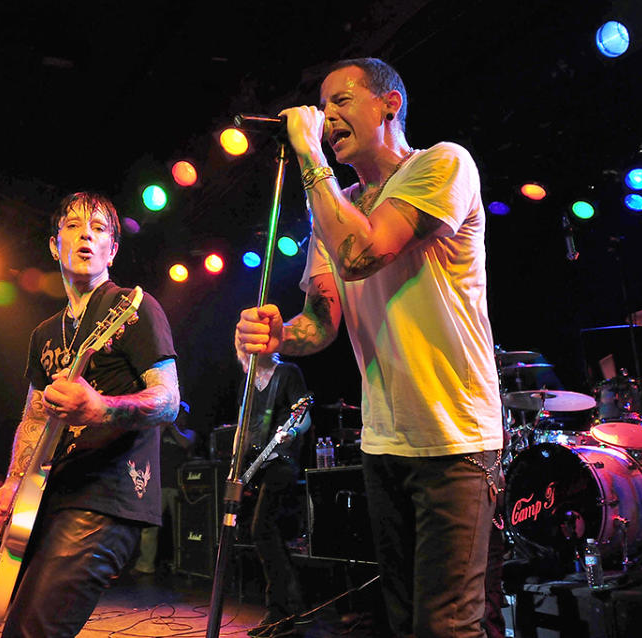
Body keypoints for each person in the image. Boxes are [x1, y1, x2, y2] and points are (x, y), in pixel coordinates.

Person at [236, 57, 502, 638]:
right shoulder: (333, 206)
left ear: (390, 104)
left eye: (341, 101)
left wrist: (308, 159)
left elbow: (365, 253)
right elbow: (320, 323)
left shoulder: (443, 164)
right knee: (404, 623)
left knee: (447, 628)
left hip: (456, 440)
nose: (326, 117)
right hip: (386, 444)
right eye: (322, 107)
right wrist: (276, 338)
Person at [0, 191, 179, 638]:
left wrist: (101, 407)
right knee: (9, 623)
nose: (86, 234)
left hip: (107, 497)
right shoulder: (43, 333)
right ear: (54, 245)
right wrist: (12, 486)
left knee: (32, 631)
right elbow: (33, 418)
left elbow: (166, 399)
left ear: (113, 249)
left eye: (100, 228)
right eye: (72, 226)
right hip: (49, 496)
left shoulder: (134, 306)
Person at [234, 348, 311, 636]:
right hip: (255, 465)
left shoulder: (287, 373)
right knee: (264, 533)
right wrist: (236, 468)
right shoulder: (247, 384)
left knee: (263, 529)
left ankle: (280, 611)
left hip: (282, 460)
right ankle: (294, 607)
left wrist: (291, 432)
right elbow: (243, 429)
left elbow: (303, 416)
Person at [131, 401, 196, 577]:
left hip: (178, 487)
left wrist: (172, 425)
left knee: (180, 528)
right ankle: (146, 565)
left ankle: (182, 565)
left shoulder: (189, 433)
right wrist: (163, 424)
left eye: (181, 414)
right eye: (177, 414)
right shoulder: (160, 431)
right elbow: (150, 443)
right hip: (157, 486)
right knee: (149, 527)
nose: (180, 417)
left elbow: (185, 443)